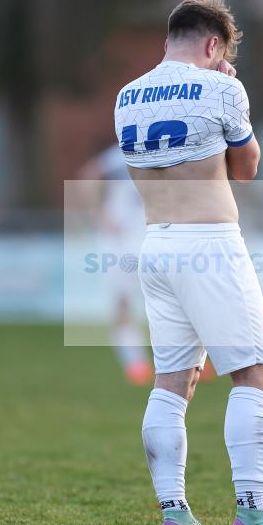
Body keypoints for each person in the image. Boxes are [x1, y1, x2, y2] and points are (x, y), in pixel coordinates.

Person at [113, 0, 263, 525]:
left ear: (166, 42)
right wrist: (225, 84)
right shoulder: (223, 86)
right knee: (256, 376)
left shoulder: (127, 96)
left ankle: (174, 514)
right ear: (214, 45)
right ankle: (252, 511)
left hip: (155, 244)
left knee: (171, 385)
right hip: (210, 243)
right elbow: (247, 169)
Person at [84, 146, 153, 385]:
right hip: (119, 242)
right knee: (122, 303)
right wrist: (101, 215)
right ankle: (135, 364)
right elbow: (90, 173)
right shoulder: (123, 152)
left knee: (169, 300)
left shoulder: (166, 148)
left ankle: (190, 361)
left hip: (149, 238)